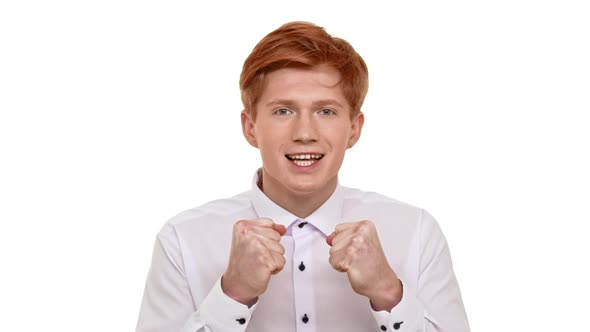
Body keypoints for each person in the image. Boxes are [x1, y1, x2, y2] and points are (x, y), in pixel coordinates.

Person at [136, 21, 470, 332]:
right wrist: (232, 295)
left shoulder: (417, 233)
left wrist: (389, 293)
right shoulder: (182, 240)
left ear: (354, 129)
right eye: (283, 111)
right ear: (250, 127)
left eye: (326, 111)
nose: (305, 133)